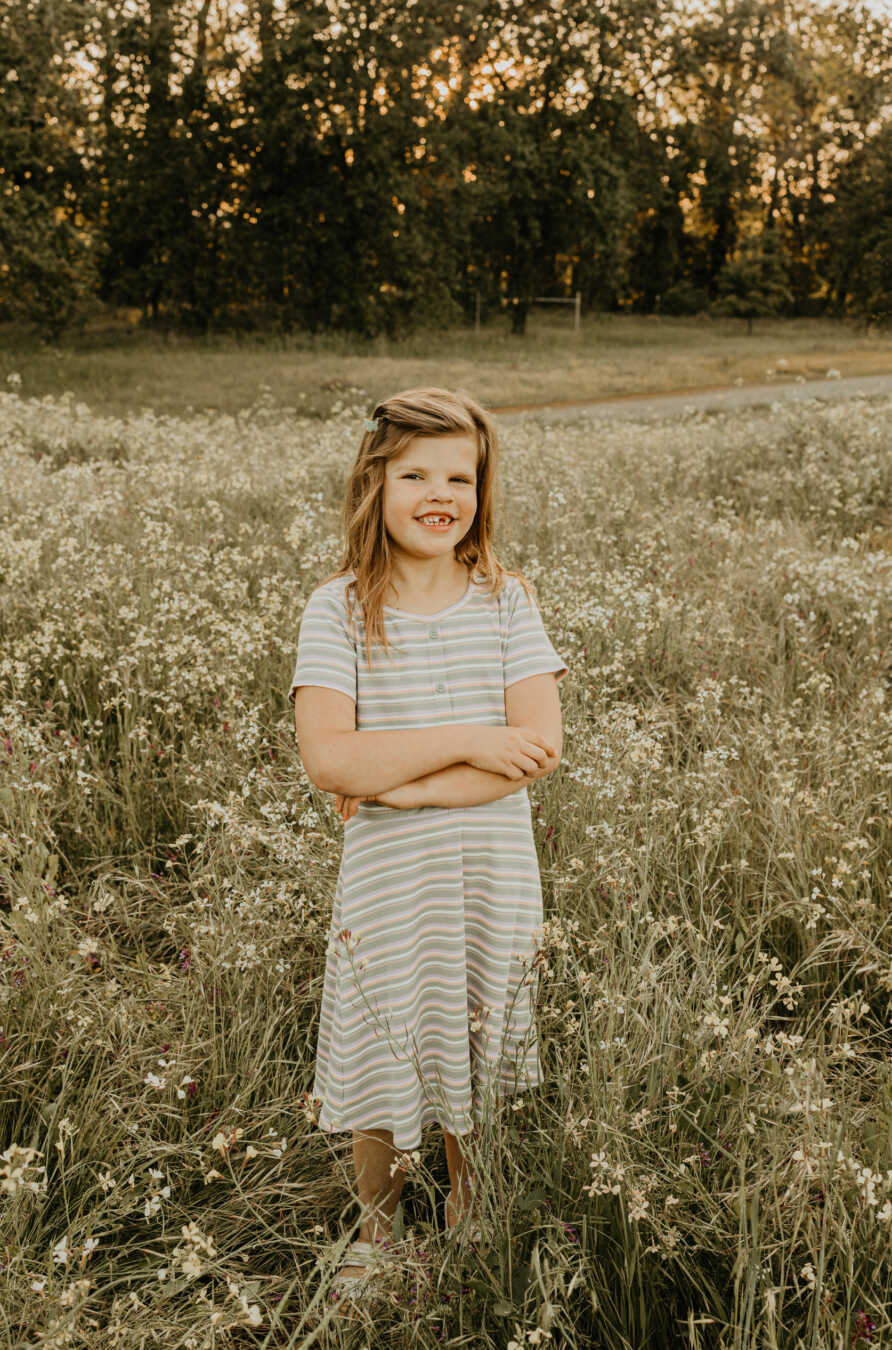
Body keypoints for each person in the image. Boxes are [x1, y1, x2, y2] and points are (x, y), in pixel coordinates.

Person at [289, 385, 568, 1300]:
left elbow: (536, 750)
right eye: (415, 473)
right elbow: (330, 756)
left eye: (461, 475)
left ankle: (470, 1209)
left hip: (492, 873)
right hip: (390, 882)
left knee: (478, 1037)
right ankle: (376, 1227)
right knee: (386, 1032)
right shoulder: (338, 609)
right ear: (375, 483)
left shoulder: (506, 600)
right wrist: (465, 740)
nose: (440, 492)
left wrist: (396, 786)